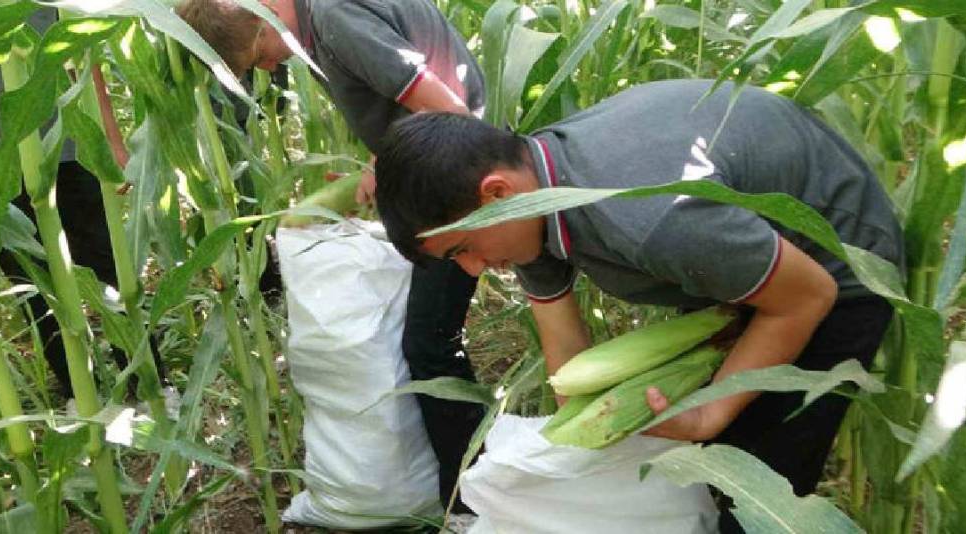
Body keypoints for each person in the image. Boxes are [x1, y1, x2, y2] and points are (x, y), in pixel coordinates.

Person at [374, 79, 904, 532]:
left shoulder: (652, 222)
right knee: (703, 471)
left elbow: (809, 296)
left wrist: (707, 414)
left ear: (495, 192)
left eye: (462, 248)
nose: (470, 269)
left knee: (753, 485)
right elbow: (567, 367)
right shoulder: (532, 196)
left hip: (839, 263)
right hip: (744, 266)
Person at [176, 0, 486, 514]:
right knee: (425, 337)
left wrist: (391, 167)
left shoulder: (335, 20)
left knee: (430, 344)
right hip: (438, 174)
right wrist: (379, 163)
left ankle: (469, 501)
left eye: (258, 56)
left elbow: (448, 108)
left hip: (453, 180)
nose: (272, 68)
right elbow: (417, 106)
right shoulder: (325, 24)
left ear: (262, 18)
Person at [0, 1, 165, 400]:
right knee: (34, 287)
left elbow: (80, 43)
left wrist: (108, 136)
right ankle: (79, 395)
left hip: (67, 142)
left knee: (110, 269)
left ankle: (150, 386)